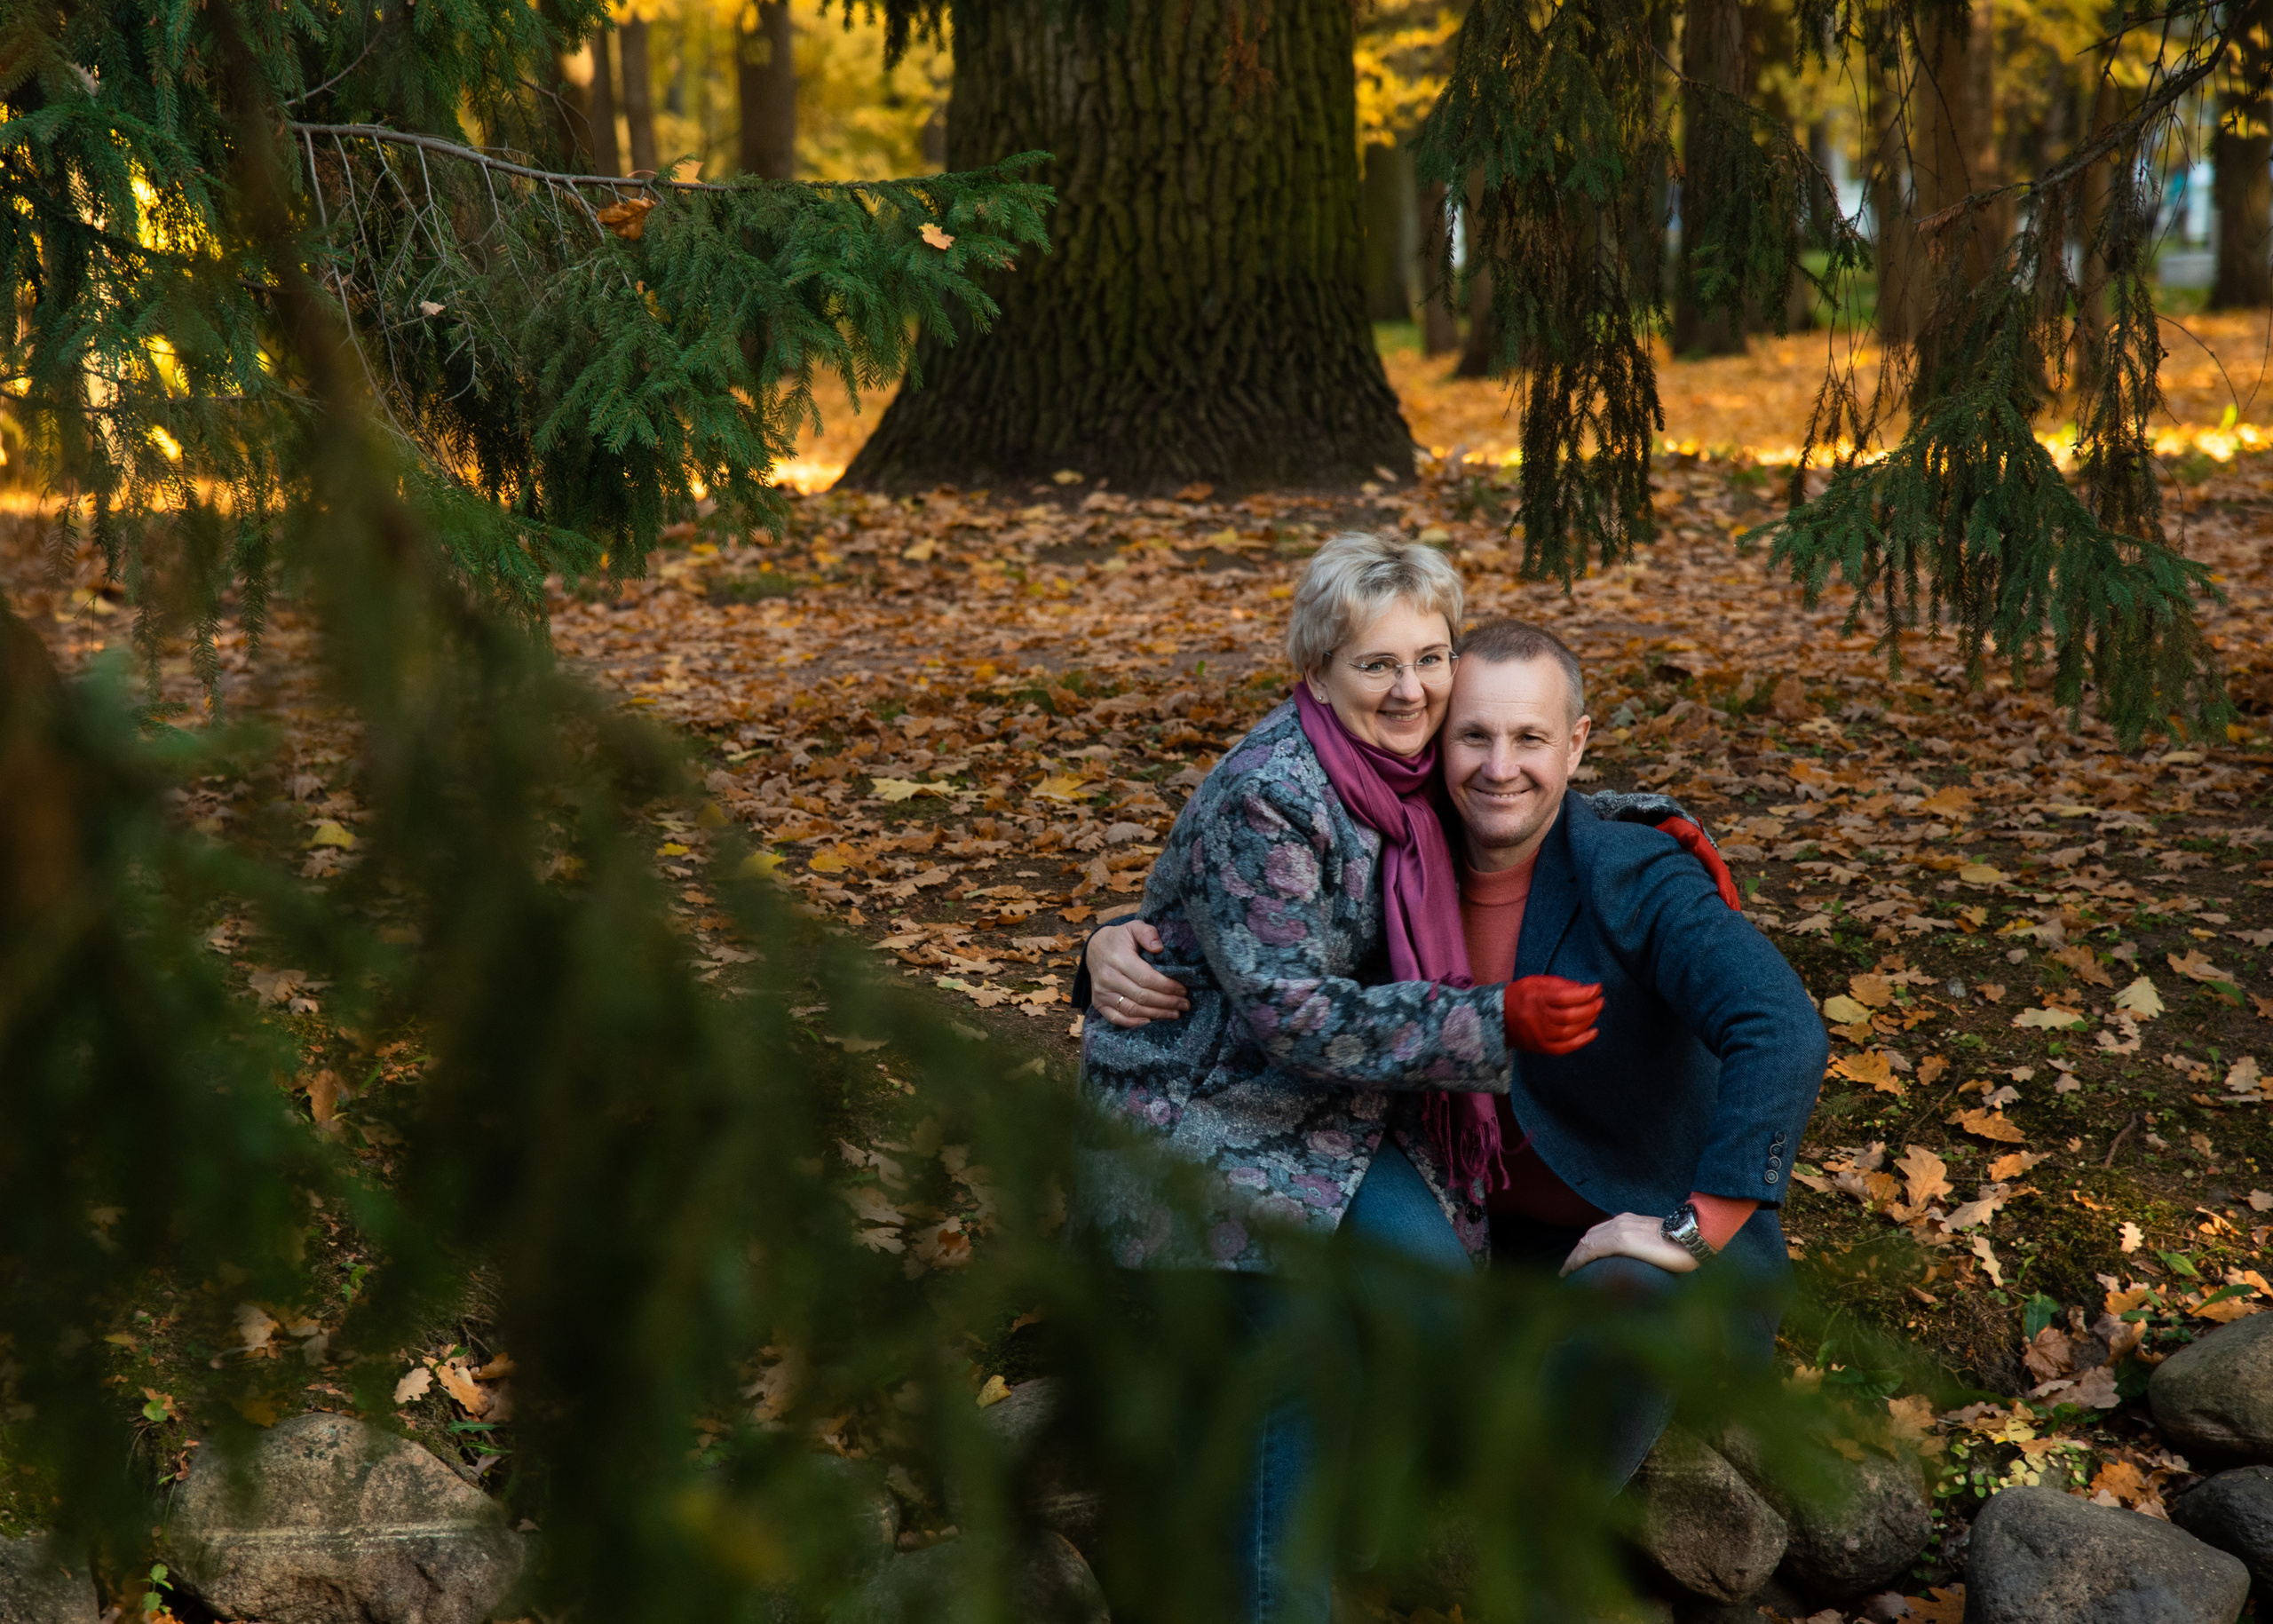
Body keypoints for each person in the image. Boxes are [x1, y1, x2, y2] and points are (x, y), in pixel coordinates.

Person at [1066, 532, 1765, 1622]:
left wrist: (1670, 840)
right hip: (1217, 1122)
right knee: (1296, 1336)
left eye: (1431, 658)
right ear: (1316, 673)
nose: (1413, 689)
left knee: (1434, 1314)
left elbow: (1527, 766)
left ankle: (1438, 1521)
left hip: (1333, 1120)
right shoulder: (1275, 791)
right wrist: (1493, 1020)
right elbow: (1285, 1003)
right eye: (1375, 663)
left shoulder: (1415, 781)